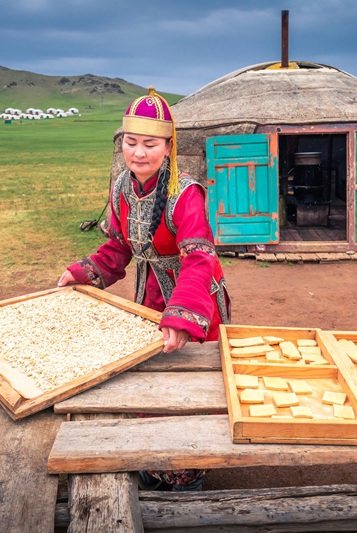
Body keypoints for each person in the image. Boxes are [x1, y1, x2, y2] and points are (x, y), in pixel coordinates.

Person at [57, 87, 230, 491]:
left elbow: (199, 260)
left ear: (168, 147)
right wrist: (81, 272)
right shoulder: (122, 188)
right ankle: (151, 464)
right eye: (131, 143)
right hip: (149, 295)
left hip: (195, 296)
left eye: (149, 144)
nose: (138, 153)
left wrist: (182, 315)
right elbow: (119, 247)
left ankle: (187, 477)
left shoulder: (185, 194)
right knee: (150, 383)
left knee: (188, 389)